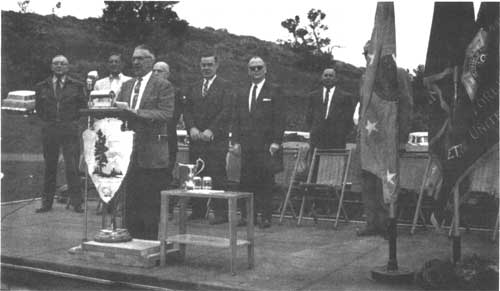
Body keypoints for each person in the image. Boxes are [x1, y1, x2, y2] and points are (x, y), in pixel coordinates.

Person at [354, 40, 413, 237]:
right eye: (365, 53)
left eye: (370, 53)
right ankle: (372, 223)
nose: (367, 57)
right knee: (368, 180)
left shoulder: (399, 74)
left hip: (389, 138)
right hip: (368, 137)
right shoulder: (364, 78)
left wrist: (403, 138)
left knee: (387, 181)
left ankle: (389, 223)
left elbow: (406, 106)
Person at [116, 45, 175, 240]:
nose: (136, 62)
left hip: (152, 152)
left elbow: (166, 114)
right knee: (130, 201)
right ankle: (129, 239)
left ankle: (149, 243)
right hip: (128, 152)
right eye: (134, 58)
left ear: (151, 60)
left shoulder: (162, 85)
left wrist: (137, 113)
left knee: (150, 202)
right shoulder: (126, 86)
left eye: (141, 58)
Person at [231, 56, 286, 228]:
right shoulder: (242, 91)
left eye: (259, 67)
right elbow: (237, 118)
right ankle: (248, 216)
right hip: (247, 145)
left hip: (266, 146)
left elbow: (280, 118)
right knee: (246, 182)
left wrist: (276, 141)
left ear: (265, 69)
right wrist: (235, 141)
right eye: (252, 68)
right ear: (248, 70)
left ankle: (266, 216)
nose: (256, 71)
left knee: (265, 182)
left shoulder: (275, 90)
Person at [184, 53, 233, 224]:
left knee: (217, 174)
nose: (206, 68)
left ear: (216, 65)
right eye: (203, 65)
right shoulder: (193, 86)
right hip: (196, 139)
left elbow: (226, 111)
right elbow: (187, 110)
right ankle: (198, 210)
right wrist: (191, 127)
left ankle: (221, 212)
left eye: (209, 65)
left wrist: (211, 130)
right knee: (197, 174)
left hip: (216, 140)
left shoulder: (226, 86)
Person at [34, 54, 87, 213]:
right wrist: (49, 121)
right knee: (50, 167)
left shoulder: (77, 86)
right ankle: (46, 203)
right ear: (51, 67)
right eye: (56, 63)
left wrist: (71, 122)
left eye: (62, 63)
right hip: (50, 131)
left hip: (69, 131)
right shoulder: (42, 86)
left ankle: (77, 203)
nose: (59, 66)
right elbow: (39, 109)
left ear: (67, 67)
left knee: (72, 167)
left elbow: (81, 107)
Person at [152, 61, 184, 219]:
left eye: (161, 71)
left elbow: (172, 116)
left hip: (167, 139)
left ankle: (167, 209)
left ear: (168, 74)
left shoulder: (174, 92)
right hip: (149, 141)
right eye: (154, 70)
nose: (156, 73)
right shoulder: (147, 90)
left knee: (166, 175)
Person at [307, 67, 355, 149]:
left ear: (336, 79)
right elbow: (309, 116)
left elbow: (348, 118)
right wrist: (313, 130)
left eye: (331, 75)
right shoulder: (313, 96)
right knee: (315, 161)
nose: (328, 78)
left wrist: (342, 132)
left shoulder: (346, 97)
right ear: (321, 77)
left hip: (337, 138)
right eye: (325, 75)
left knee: (335, 161)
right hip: (317, 138)